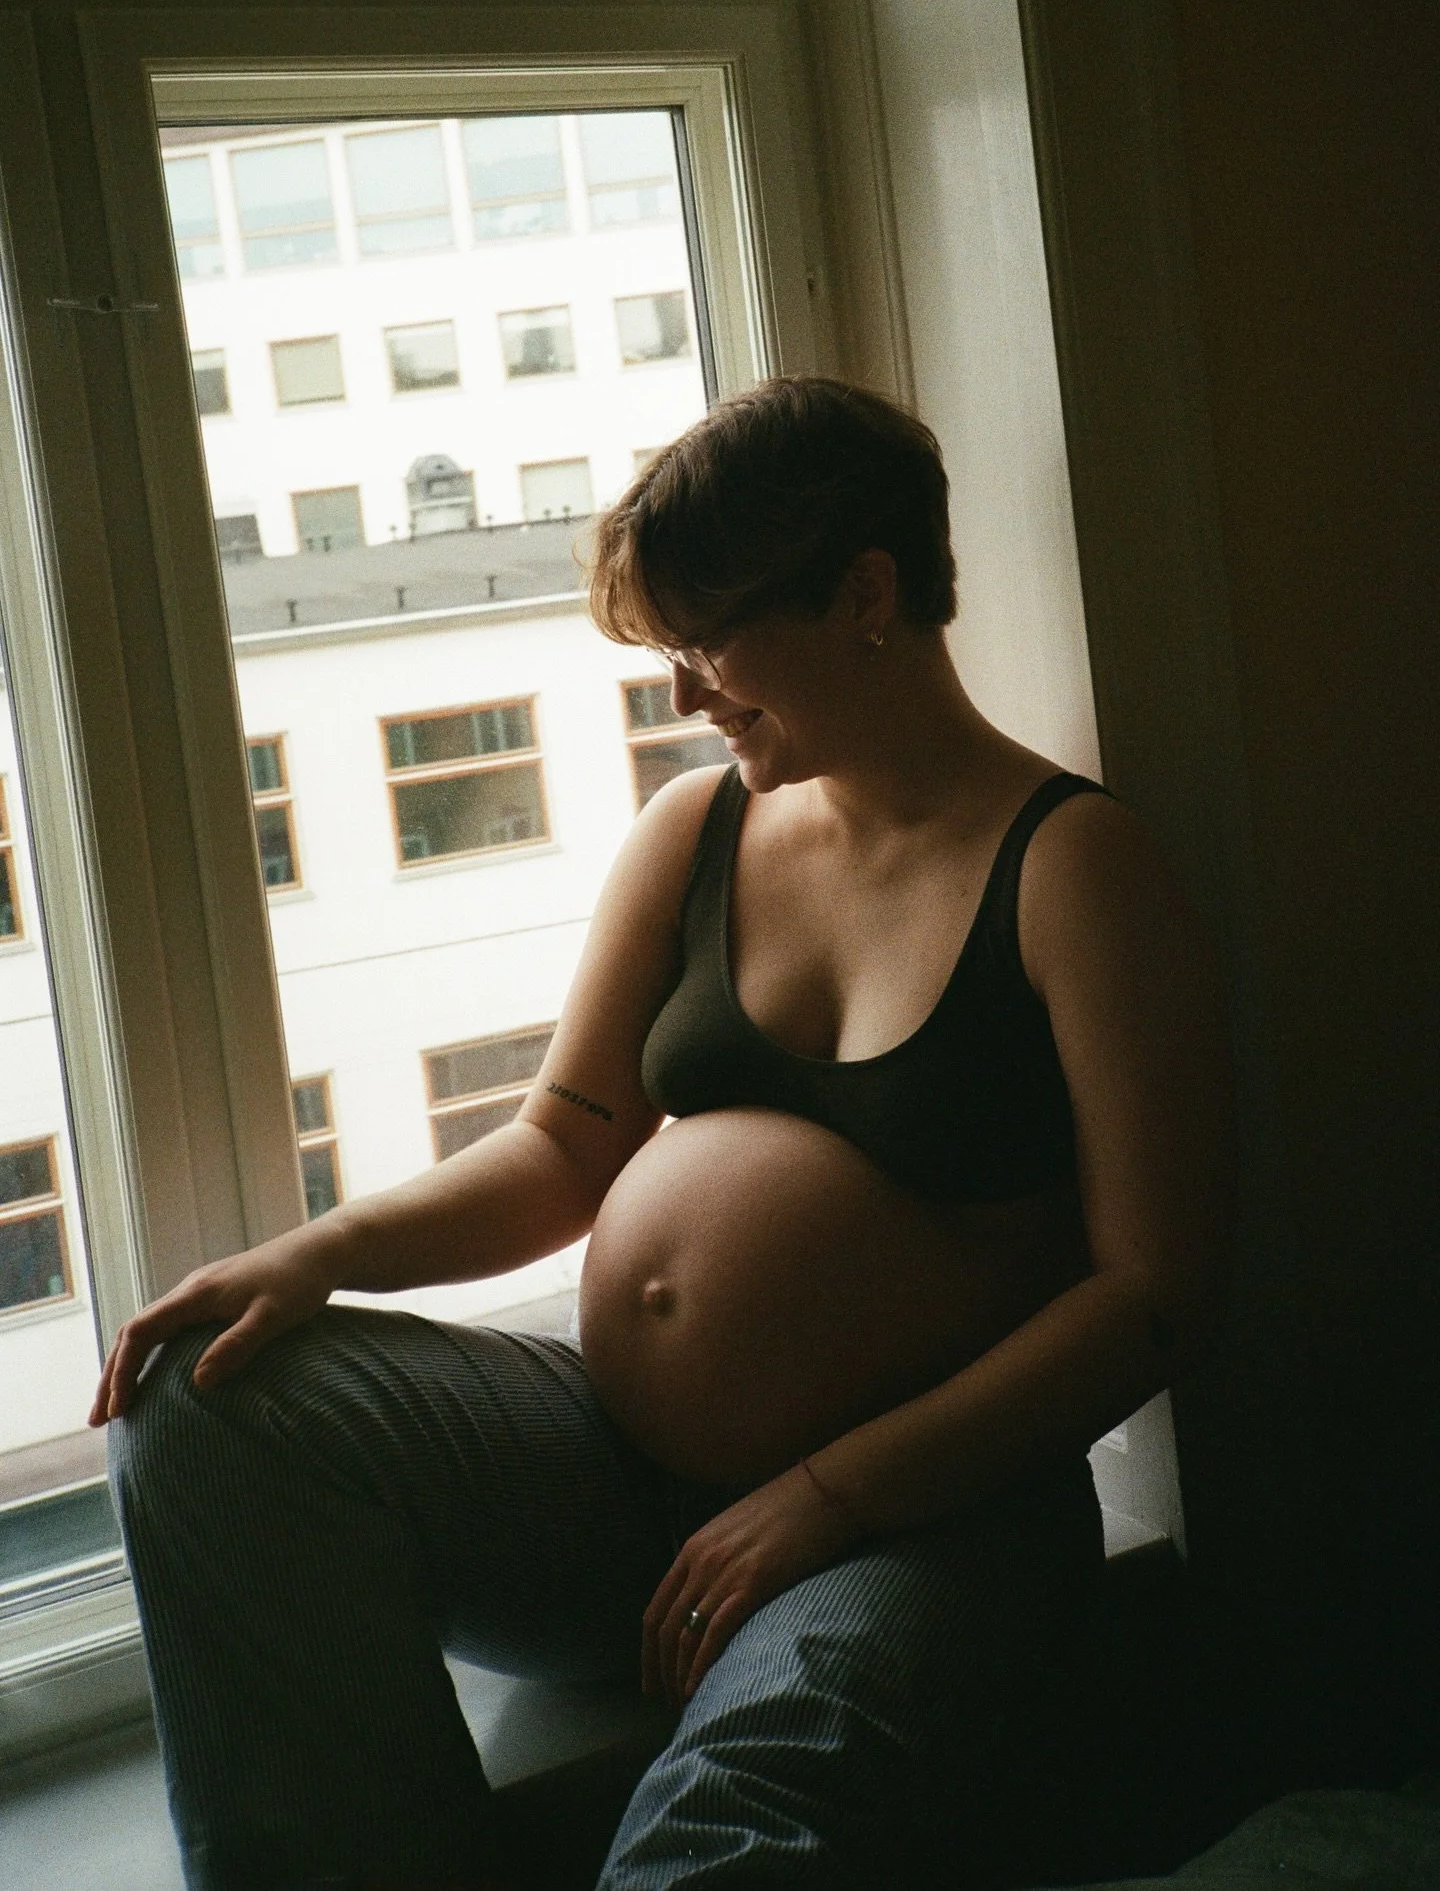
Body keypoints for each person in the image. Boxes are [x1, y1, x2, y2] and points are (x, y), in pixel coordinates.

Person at [94, 377, 1233, 1891]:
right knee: (204, 1403)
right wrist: (311, 1256)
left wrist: (826, 1495)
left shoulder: (1074, 867)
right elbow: (565, 1150)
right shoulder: (693, 834)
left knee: (717, 1849)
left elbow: (1151, 1294)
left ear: (868, 594)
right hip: (620, 1483)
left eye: (708, 641)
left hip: (926, 1522)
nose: (685, 691)